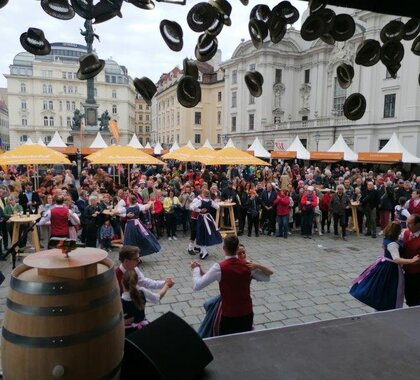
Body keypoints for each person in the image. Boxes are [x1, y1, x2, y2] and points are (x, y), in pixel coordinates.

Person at [192, 236, 270, 336]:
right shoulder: (248, 265)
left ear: (224, 249)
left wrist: (196, 269)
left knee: (227, 344)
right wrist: (257, 266)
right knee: (245, 342)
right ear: (238, 248)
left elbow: (197, 286)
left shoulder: (219, 267)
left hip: (229, 313)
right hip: (246, 312)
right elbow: (266, 278)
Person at [350, 222, 420, 311]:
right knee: (389, 289)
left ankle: (380, 307)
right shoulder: (393, 244)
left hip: (384, 266)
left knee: (382, 288)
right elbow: (396, 259)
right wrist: (412, 260)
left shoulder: (387, 239)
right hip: (391, 268)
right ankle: (385, 308)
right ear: (397, 232)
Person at [121, 269, 171, 335]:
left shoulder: (120, 301)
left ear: (122, 282)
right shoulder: (142, 291)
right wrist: (166, 285)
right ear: (136, 281)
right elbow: (157, 297)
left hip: (127, 333)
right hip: (144, 328)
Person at [190, 189, 222, 260]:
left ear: (203, 194)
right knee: (205, 235)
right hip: (208, 218)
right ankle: (203, 251)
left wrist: (200, 210)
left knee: (200, 235)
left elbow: (192, 207)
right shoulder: (210, 201)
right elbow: (217, 207)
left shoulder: (200, 201)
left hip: (202, 219)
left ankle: (204, 252)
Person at [401, 214, 420, 306]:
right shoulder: (406, 233)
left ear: (418, 224)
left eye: (410, 223)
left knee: (415, 299)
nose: (407, 225)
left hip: (417, 273)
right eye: (406, 223)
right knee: (408, 296)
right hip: (407, 271)